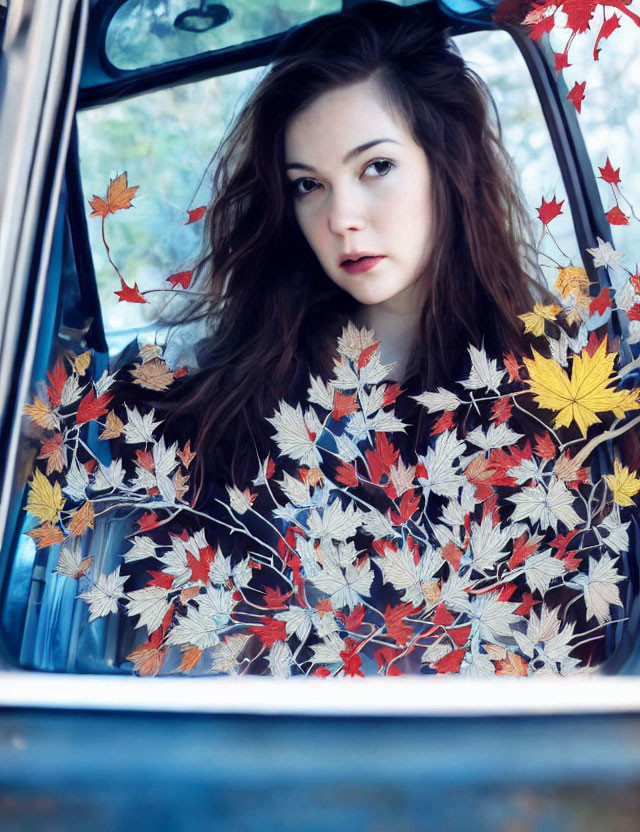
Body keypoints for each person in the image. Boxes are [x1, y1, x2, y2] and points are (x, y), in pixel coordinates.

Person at [156, 0, 547, 505]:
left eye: (377, 167)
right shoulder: (251, 376)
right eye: (308, 185)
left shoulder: (547, 377)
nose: (341, 218)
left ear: (449, 165)